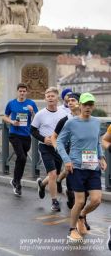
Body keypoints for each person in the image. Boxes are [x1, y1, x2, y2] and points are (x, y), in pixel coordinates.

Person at [56, 93, 107, 243]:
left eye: (91, 105)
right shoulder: (72, 123)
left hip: (92, 167)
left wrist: (101, 157)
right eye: (85, 105)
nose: (88, 108)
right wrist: (66, 160)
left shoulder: (96, 122)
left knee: (96, 200)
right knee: (79, 201)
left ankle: (82, 216)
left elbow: (97, 142)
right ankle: (72, 230)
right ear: (80, 106)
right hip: (76, 167)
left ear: (93, 107)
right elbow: (59, 142)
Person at [31, 87, 68, 212]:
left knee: (55, 174)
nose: (50, 98)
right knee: (52, 174)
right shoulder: (40, 114)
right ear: (45, 99)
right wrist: (43, 138)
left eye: (52, 96)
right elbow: (33, 130)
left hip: (58, 147)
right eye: (48, 96)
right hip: (45, 147)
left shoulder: (64, 114)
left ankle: (42, 185)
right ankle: (54, 201)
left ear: (57, 98)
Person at [3, 83, 38, 196]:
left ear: (26, 92)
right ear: (17, 92)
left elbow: (37, 118)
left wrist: (32, 111)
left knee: (21, 159)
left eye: (24, 91)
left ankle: (14, 180)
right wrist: (12, 122)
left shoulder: (31, 103)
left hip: (26, 135)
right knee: (22, 157)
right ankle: (18, 183)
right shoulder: (11, 103)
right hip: (14, 134)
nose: (22, 93)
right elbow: (4, 116)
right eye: (20, 91)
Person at [51, 92, 81, 209]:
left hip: (84, 153)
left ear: (80, 102)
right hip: (69, 152)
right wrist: (57, 149)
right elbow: (54, 136)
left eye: (73, 100)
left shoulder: (87, 118)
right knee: (70, 174)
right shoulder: (65, 120)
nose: (70, 103)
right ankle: (71, 195)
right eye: (68, 101)